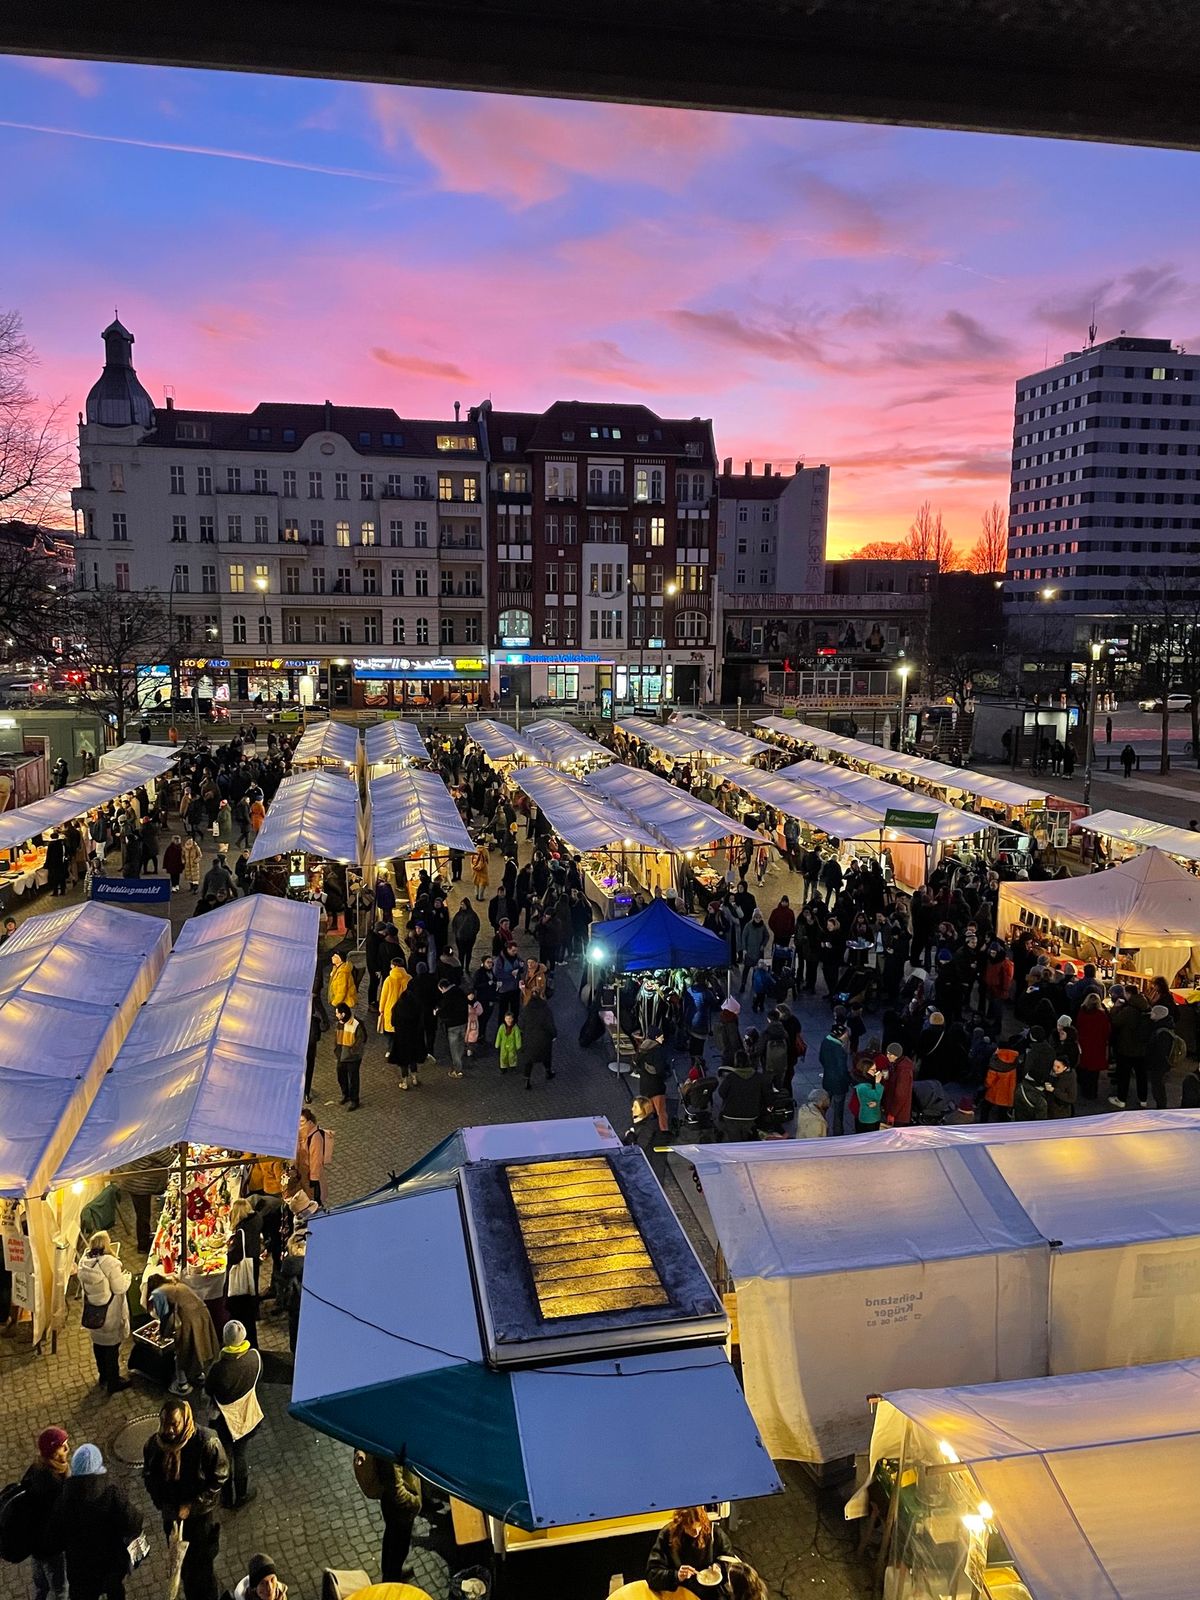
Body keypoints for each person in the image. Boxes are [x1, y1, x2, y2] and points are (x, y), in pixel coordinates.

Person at [142, 1400, 229, 1600]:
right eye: (165, 1424)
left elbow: (219, 1477)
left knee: (203, 1570)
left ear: (185, 1421)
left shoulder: (207, 1442)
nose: (169, 1430)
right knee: (182, 1566)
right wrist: (162, 1504)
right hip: (172, 1518)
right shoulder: (154, 1446)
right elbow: (149, 1477)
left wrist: (192, 1506)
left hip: (200, 1522)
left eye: (174, 1424)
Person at [47, 1444, 142, 1600]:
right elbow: (134, 1521)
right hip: (111, 1565)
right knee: (115, 1591)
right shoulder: (111, 1494)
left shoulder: (64, 1500)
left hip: (81, 1571)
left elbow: (54, 1539)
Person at [205, 1320, 263, 1510]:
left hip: (224, 1423)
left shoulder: (218, 1369)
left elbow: (208, 1390)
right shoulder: (254, 1358)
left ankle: (226, 1498)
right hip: (247, 1417)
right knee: (241, 1455)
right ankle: (242, 1494)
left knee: (226, 1458)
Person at [12, 1426, 69, 1600]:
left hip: (35, 1545)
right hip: (51, 1548)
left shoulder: (35, 1469)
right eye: (62, 1446)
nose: (67, 1449)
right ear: (52, 1453)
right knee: (61, 1590)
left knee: (41, 1583)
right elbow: (62, 1516)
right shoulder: (53, 1482)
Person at [353, 1450, 422, 1581]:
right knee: (399, 1545)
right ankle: (392, 1579)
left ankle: (391, 1572)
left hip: (391, 1503)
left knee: (392, 1538)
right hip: (399, 1507)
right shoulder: (388, 1454)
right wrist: (415, 1503)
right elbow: (396, 1490)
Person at [145, 1274, 220, 1395]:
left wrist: (163, 1333)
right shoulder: (177, 1284)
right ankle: (198, 1374)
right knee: (199, 1345)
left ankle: (182, 1384)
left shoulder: (158, 1293)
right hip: (202, 1316)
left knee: (182, 1350)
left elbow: (164, 1315)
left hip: (187, 1321)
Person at [76, 1231, 132, 1394]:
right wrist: (127, 1278)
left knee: (98, 1345)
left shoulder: (84, 1263)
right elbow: (119, 1287)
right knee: (112, 1348)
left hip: (93, 1313)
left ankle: (103, 1376)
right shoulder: (109, 1263)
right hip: (110, 1313)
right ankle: (114, 1381)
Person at [646, 1506, 735, 1597]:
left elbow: (731, 1561)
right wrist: (676, 1576)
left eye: (699, 1526)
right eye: (690, 1528)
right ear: (681, 1524)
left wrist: (720, 1566)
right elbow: (652, 1575)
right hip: (681, 1592)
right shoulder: (667, 1536)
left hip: (711, 1592)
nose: (696, 1532)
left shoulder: (714, 1532)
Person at [224, 1198, 262, 1349]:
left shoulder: (242, 1231)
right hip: (252, 1269)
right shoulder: (256, 1220)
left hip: (242, 1282)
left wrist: (229, 1250)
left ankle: (243, 1344)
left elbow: (235, 1256)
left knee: (242, 1314)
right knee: (250, 1313)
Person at [1075, 991, 1111, 1100]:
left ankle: (1085, 1091)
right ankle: (1093, 1093)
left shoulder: (1082, 1013)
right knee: (1094, 1073)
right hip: (1097, 1045)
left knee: (1084, 1068)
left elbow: (1078, 1027)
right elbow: (1107, 1031)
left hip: (1084, 1044)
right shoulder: (1102, 1015)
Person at [518, 990, 557, 1088]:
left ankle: (527, 1080)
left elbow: (521, 1024)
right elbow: (550, 1024)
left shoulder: (526, 1009)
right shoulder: (545, 1009)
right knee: (546, 1056)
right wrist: (554, 1035)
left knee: (529, 1060)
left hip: (530, 1038)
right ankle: (548, 1072)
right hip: (543, 1038)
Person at [819, 1022, 851, 1135]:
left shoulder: (825, 1042)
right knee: (838, 1111)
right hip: (839, 1084)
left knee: (823, 1107)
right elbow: (842, 1069)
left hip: (827, 1080)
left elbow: (821, 1059)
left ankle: (820, 1129)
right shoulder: (839, 1049)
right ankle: (838, 1132)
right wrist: (848, 1080)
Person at [333, 1002, 364, 1109]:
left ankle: (354, 1100)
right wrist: (337, 1051)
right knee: (341, 1076)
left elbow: (361, 1039)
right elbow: (337, 1038)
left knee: (353, 1079)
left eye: (337, 1013)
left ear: (343, 1014)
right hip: (341, 1055)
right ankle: (345, 1094)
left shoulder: (356, 1023)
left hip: (353, 1057)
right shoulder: (339, 1023)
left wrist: (352, 1051)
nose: (336, 1015)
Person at [295, 1106, 328, 1203]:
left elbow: (316, 1159)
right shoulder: (300, 1134)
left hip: (312, 1176)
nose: (300, 1125)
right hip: (303, 1174)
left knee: (315, 1199)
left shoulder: (315, 1136)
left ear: (309, 1121)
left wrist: (314, 1178)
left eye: (302, 1121)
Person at [882, 1043, 914, 1127]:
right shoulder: (894, 1065)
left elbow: (901, 1095)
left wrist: (892, 1113)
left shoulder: (903, 1070)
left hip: (898, 1115)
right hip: (893, 1110)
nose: (887, 1056)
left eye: (890, 1054)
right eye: (887, 1053)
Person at [496, 1006, 521, 1073]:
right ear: (504, 1019)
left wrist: (518, 1045)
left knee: (512, 1056)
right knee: (503, 1056)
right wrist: (497, 1044)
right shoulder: (502, 1027)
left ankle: (513, 1066)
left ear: (512, 1019)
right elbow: (499, 1036)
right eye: (507, 1018)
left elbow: (517, 1036)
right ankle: (503, 1068)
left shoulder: (515, 1028)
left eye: (510, 1018)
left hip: (512, 1045)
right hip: (503, 1045)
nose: (508, 1020)